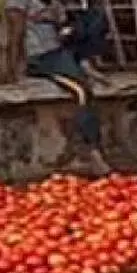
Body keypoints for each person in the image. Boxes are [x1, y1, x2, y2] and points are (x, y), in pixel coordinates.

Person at [4, 0, 110, 176]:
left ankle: (84, 62)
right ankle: (91, 150)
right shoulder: (19, 2)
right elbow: (17, 34)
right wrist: (13, 68)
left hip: (61, 50)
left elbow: (62, 26)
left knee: (95, 17)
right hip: (43, 57)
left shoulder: (54, 3)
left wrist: (61, 24)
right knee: (82, 91)